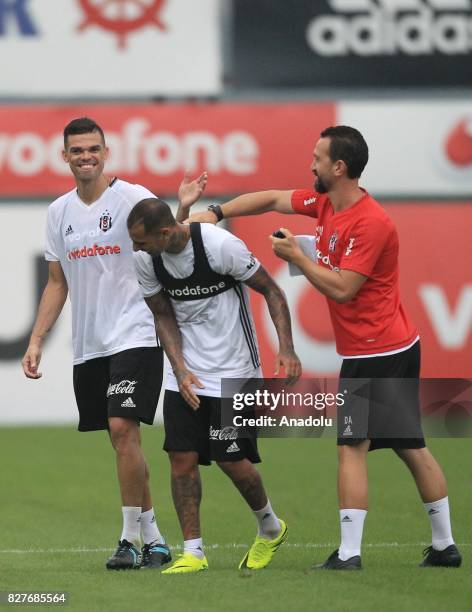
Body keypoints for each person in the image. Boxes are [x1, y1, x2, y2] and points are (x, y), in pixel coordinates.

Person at [183, 125, 462, 570]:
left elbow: (344, 289)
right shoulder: (327, 203)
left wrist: (299, 258)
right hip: (390, 345)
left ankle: (349, 554)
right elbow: (273, 198)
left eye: (317, 157)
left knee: (351, 448)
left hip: (377, 350)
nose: (310, 164)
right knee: (410, 444)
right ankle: (445, 546)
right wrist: (216, 213)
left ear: (339, 167)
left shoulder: (371, 223)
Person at [21, 117, 207, 571]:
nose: (86, 156)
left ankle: (126, 541)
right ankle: (156, 540)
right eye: (77, 150)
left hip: (137, 331)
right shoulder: (58, 212)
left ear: (106, 153)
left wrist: (183, 210)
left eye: (94, 149)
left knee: (124, 430)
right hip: (91, 342)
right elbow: (56, 283)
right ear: (64, 156)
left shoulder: (132, 198)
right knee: (123, 442)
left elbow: (170, 239)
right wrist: (36, 338)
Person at [127, 197, 301, 573]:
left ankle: (270, 527)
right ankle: (194, 553)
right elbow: (162, 315)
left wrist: (286, 349)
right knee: (181, 459)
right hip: (185, 374)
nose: (135, 249)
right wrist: (180, 368)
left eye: (141, 241)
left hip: (234, 371)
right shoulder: (147, 260)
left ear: (166, 232)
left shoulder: (220, 247)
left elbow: (272, 291)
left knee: (230, 459)